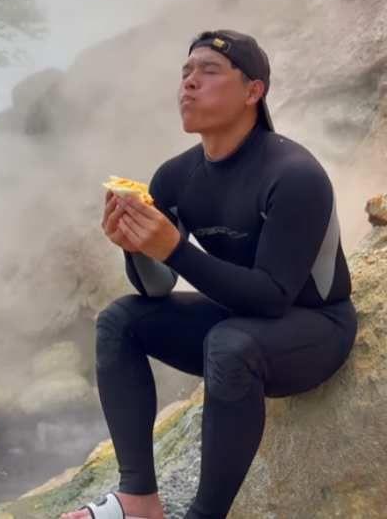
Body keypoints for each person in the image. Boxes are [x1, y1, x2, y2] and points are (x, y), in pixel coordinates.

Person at [64, 30, 357, 519]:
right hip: (239, 319)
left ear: (253, 91)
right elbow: (156, 287)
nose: (189, 84)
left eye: (209, 71)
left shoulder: (293, 174)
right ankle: (138, 499)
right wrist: (134, 248)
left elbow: (273, 298)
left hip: (316, 329)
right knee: (119, 320)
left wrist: (174, 250)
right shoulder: (175, 177)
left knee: (230, 342)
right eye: (185, 73)